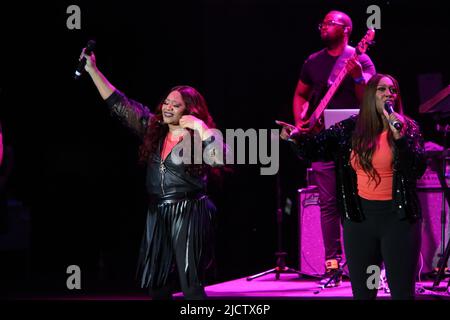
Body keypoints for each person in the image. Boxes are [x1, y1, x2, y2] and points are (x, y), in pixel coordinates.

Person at [81, 49, 225, 300]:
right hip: (157, 211)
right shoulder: (153, 129)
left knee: (191, 286)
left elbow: (222, 157)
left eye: (176, 104)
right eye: (166, 102)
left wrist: (202, 128)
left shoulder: (197, 137)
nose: (168, 107)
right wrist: (93, 70)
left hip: (189, 211)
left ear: (189, 110)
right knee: (156, 286)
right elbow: (120, 104)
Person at [278, 73, 426, 299]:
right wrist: (295, 137)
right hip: (361, 224)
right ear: (370, 96)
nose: (389, 94)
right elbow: (315, 148)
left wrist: (401, 140)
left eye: (393, 90)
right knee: (366, 291)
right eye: (382, 90)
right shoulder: (350, 129)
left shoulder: (407, 128)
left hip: (399, 222)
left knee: (401, 293)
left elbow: (417, 168)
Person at [292, 10, 376, 285]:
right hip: (323, 140)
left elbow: (368, 103)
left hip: (354, 142)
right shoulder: (312, 61)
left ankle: (362, 262)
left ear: (347, 29)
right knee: (328, 204)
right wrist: (302, 120)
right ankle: (332, 265)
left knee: (357, 200)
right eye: (322, 23)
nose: (323, 27)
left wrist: (357, 78)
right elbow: (301, 93)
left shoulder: (361, 58)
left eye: (330, 23)